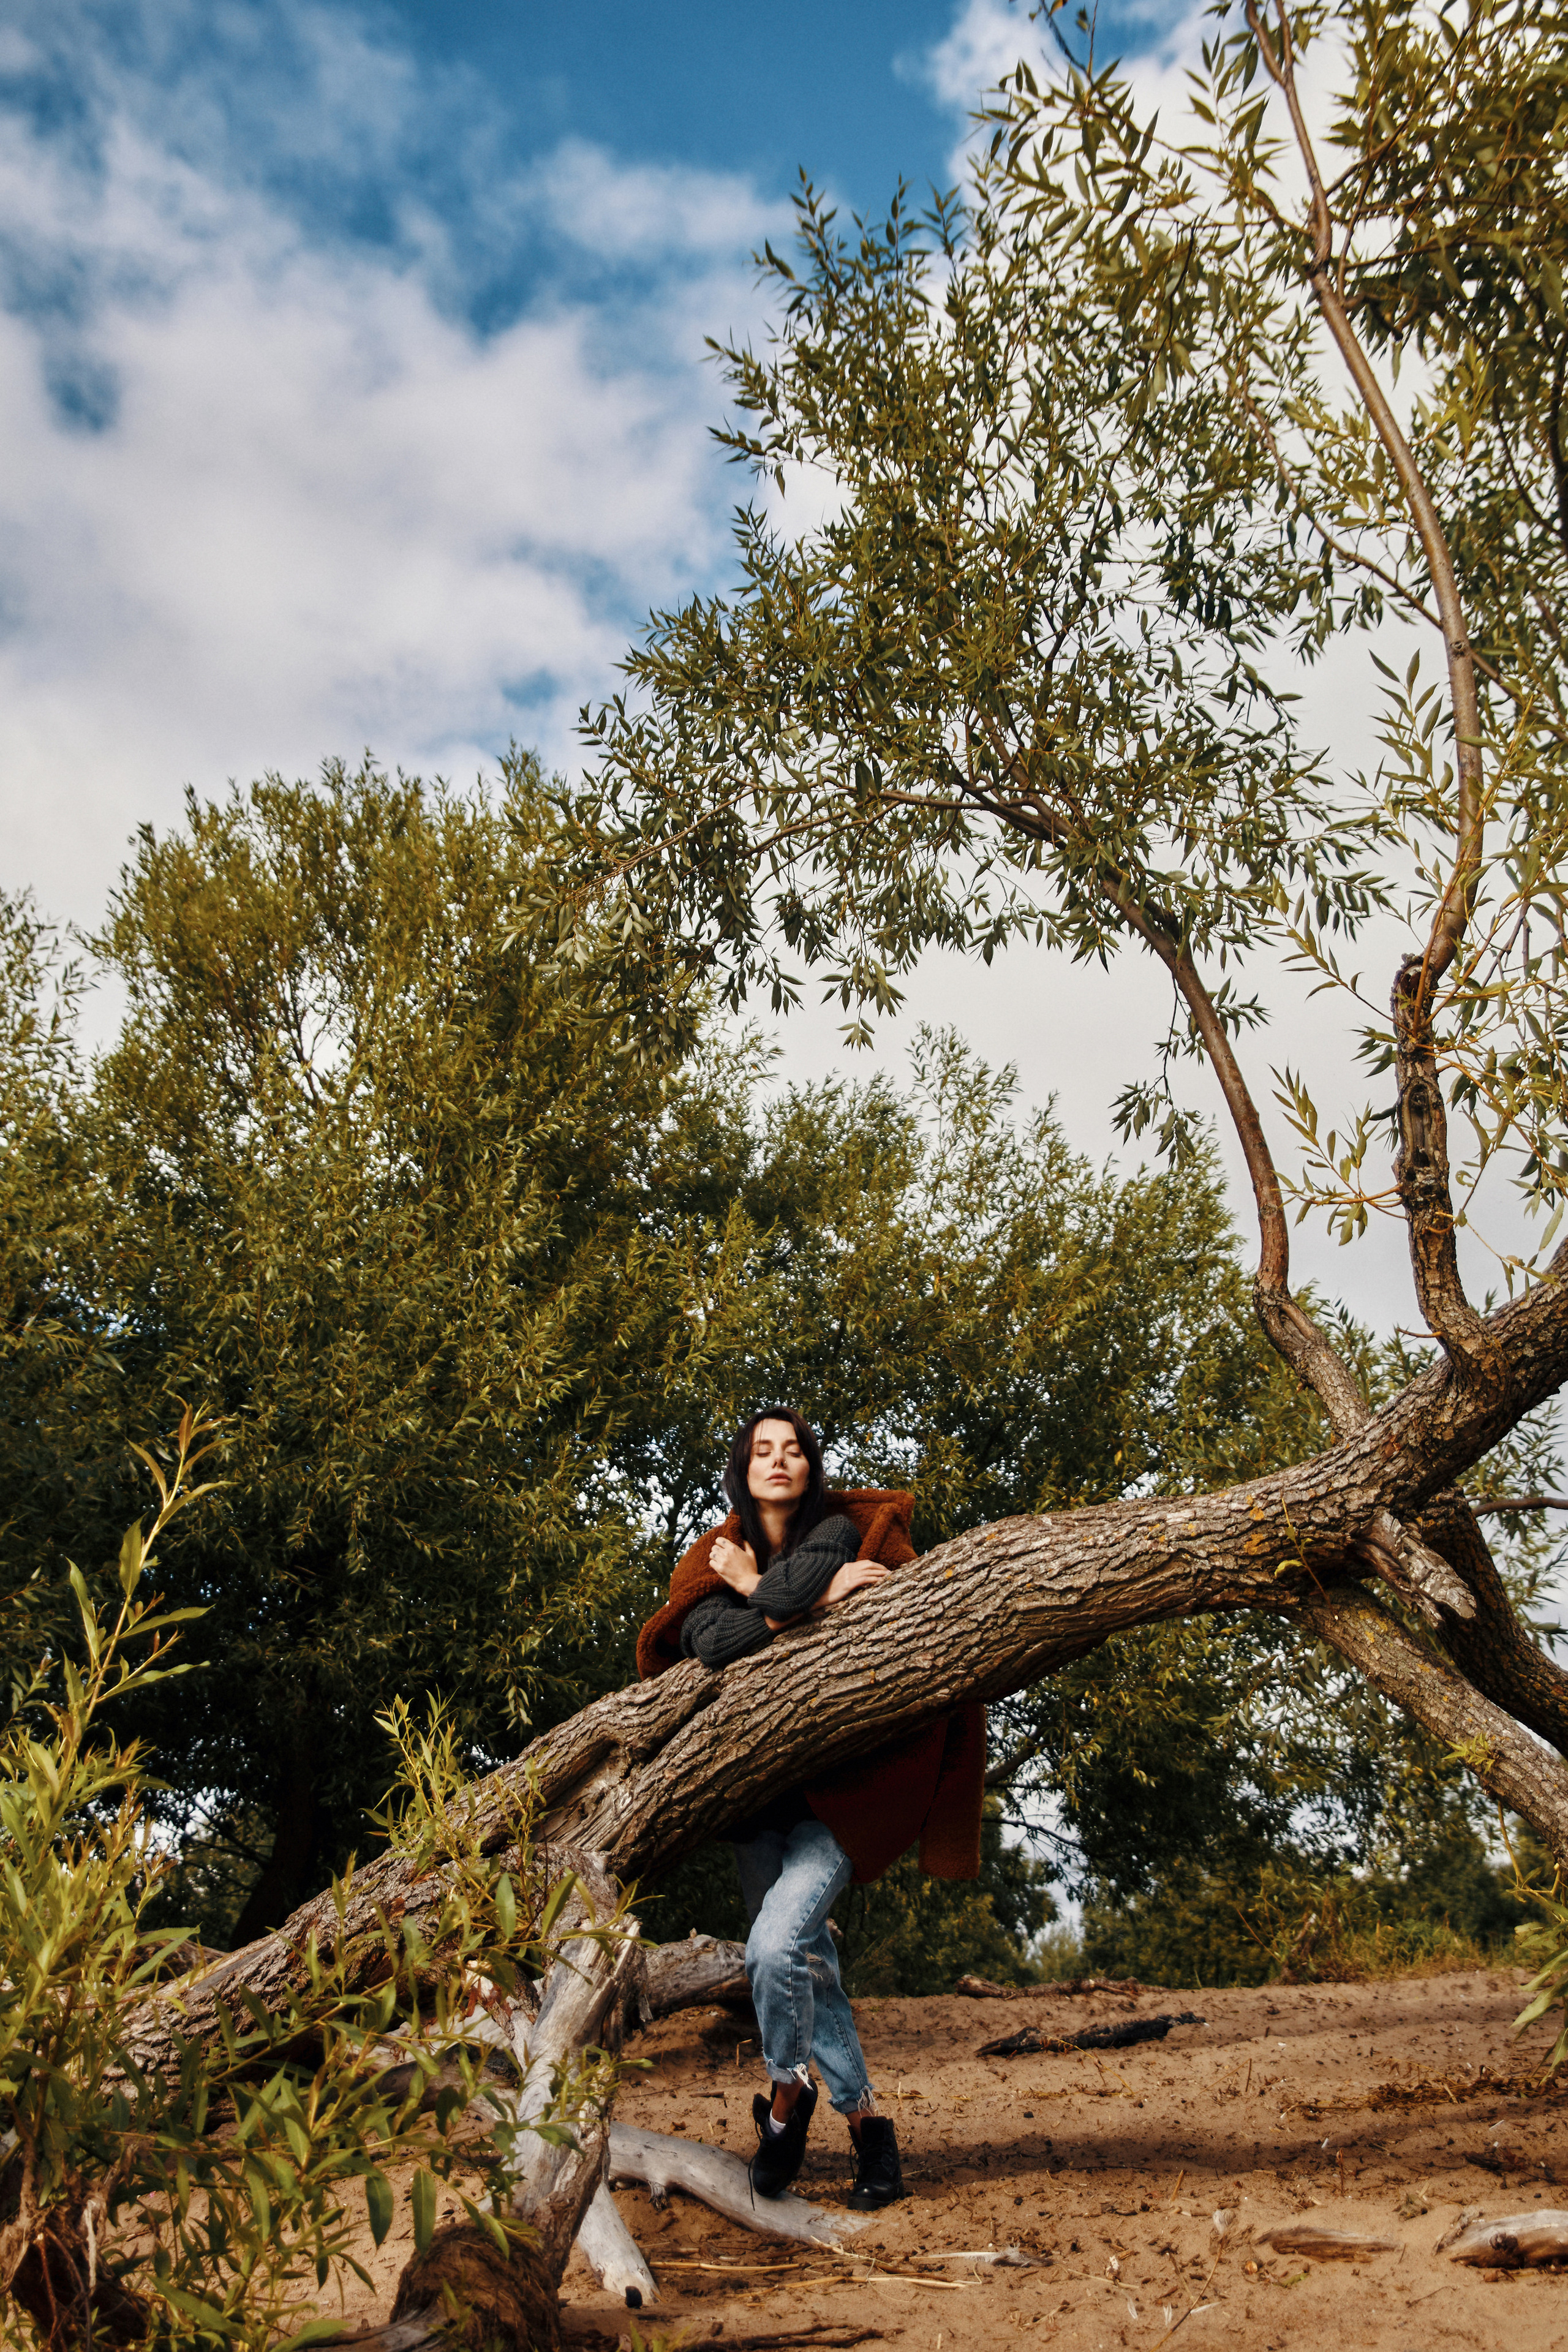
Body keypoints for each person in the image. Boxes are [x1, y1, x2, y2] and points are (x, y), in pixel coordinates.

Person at [636, 1408, 986, 2210]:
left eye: (793, 1448)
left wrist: (777, 1594)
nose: (780, 1460)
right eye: (763, 1450)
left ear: (810, 1465)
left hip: (840, 1801)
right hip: (760, 1801)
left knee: (771, 1948)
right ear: (742, 1469)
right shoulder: (712, 1554)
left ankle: (786, 2099)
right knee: (810, 1966)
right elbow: (710, 1641)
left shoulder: (842, 1531)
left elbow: (795, 1610)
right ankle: (871, 2135)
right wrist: (812, 1605)